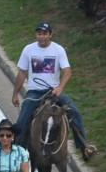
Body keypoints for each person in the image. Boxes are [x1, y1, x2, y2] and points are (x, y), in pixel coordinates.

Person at [12, 19, 93, 159]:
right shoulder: (28, 49)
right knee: (22, 121)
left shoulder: (58, 50)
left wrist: (60, 87)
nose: (41, 36)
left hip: (53, 91)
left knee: (75, 112)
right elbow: (21, 73)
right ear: (36, 35)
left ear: (50, 34)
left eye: (44, 33)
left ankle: (84, 147)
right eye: (39, 33)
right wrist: (15, 94)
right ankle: (17, 153)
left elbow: (67, 71)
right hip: (34, 92)